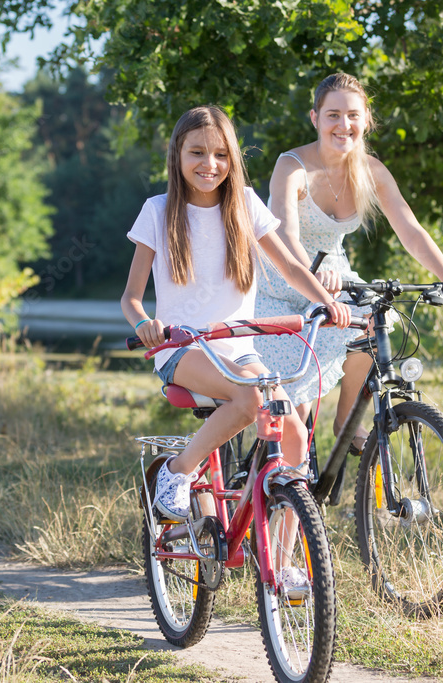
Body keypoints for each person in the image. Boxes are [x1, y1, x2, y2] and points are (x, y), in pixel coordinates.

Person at [121, 105, 351, 530]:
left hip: (240, 350)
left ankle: (284, 564)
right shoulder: (157, 211)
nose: (210, 165)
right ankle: (177, 471)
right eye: (197, 153)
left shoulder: (245, 204)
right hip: (182, 349)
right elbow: (131, 299)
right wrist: (144, 325)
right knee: (250, 401)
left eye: (221, 155)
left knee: (296, 434)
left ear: (233, 159)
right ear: (177, 155)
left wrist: (327, 303)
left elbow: (290, 268)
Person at [255, 73, 443, 452]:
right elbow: (285, 234)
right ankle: (288, 488)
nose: (344, 125)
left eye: (353, 115)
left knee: (379, 321)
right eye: (333, 115)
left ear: (366, 119)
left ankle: (347, 419)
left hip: (337, 277)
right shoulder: (291, 166)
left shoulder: (371, 171)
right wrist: (311, 272)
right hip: (285, 282)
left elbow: (410, 229)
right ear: (315, 118)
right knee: (297, 421)